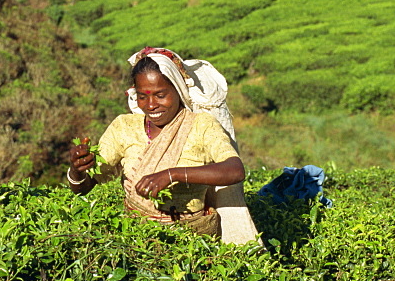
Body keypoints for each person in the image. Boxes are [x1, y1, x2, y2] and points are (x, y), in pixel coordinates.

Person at [67, 47, 259, 243]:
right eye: (143, 96)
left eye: (160, 95)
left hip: (192, 238)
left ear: (178, 90)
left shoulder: (201, 125)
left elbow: (235, 170)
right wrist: (78, 170)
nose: (151, 105)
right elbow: (83, 188)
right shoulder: (124, 127)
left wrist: (172, 174)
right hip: (136, 237)